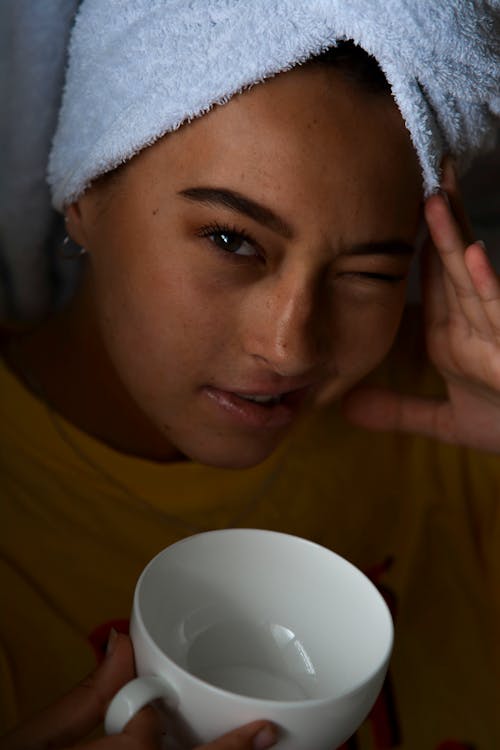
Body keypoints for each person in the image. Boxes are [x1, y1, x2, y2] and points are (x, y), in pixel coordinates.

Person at [1, 2, 499, 749]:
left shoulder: (463, 430)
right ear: (86, 192)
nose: (290, 347)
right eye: (232, 240)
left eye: (368, 272)